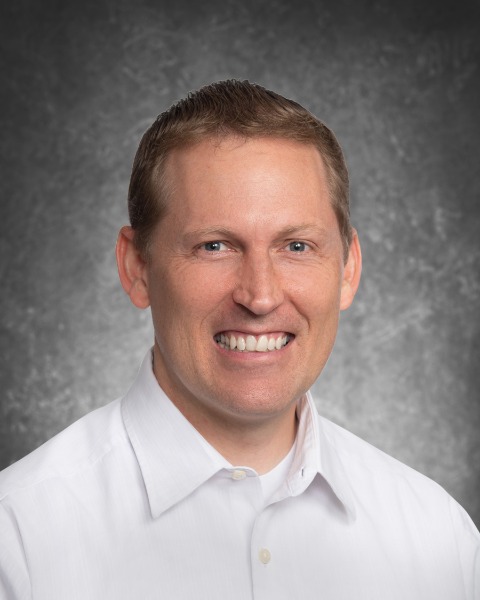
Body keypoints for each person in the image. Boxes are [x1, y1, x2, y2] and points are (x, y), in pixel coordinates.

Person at [0, 80, 478, 600]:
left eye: (297, 246)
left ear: (347, 268)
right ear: (137, 267)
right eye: (215, 246)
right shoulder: (19, 540)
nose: (260, 296)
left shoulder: (440, 542)